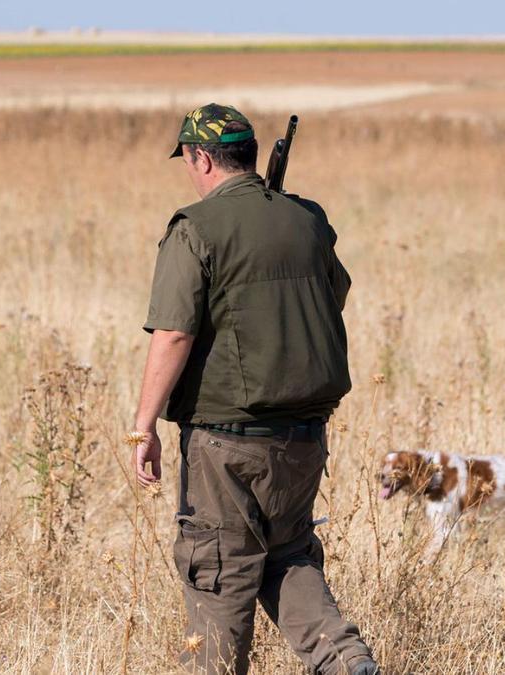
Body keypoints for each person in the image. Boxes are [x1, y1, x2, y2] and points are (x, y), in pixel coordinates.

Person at [130, 103, 378, 675]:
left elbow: (173, 333)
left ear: (199, 157)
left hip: (226, 443)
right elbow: (332, 294)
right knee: (287, 558)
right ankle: (347, 664)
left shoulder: (195, 227)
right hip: (303, 438)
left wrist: (143, 425)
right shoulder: (307, 219)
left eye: (188, 161)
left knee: (218, 577)